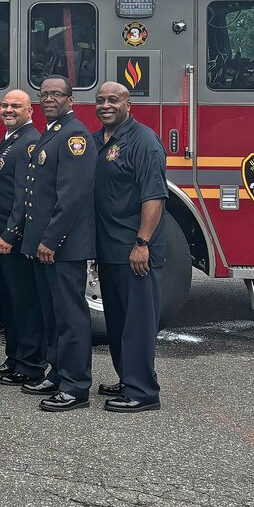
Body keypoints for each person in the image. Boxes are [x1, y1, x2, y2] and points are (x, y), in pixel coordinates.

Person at [19, 76, 97, 412]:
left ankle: (76, 385)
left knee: (70, 316)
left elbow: (72, 196)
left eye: (56, 94)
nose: (49, 99)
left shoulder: (74, 135)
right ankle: (57, 372)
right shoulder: (52, 131)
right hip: (45, 245)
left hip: (63, 246)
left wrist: (51, 240)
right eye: (44, 94)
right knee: (52, 314)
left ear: (70, 99)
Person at [93, 81, 167, 413]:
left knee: (137, 322)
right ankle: (128, 378)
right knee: (119, 321)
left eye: (113, 100)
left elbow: (153, 196)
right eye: (100, 100)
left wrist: (142, 243)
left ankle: (143, 391)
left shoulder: (144, 141)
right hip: (109, 250)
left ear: (128, 104)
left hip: (134, 250)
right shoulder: (99, 140)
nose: (106, 105)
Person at [0, 89, 46, 387]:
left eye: (16, 106)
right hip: (0, 238)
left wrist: (10, 233)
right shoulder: (12, 138)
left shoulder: (29, 142)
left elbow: (25, 195)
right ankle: (14, 357)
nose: (8, 110)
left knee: (24, 303)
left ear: (30, 111)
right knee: (8, 302)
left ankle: (31, 363)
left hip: (13, 239)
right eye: (5, 105)